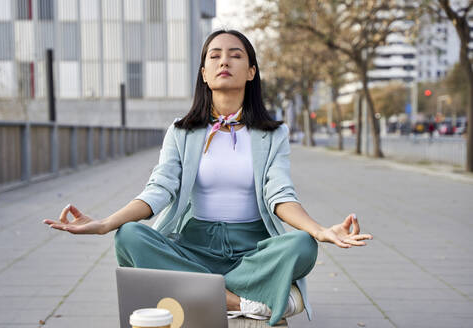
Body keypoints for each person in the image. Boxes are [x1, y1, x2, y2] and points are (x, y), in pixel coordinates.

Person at [43, 29, 373, 326]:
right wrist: (105, 224)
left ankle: (198, 289)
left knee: (303, 245)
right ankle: (239, 300)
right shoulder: (181, 131)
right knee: (129, 236)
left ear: (251, 71)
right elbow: (159, 189)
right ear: (204, 73)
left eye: (235, 55)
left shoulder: (273, 134)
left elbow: (280, 194)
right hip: (194, 246)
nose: (224, 61)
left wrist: (320, 230)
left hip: (251, 251)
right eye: (214, 56)